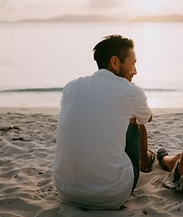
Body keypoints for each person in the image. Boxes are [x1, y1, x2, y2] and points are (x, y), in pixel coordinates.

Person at [53, 34, 154, 209]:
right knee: (136, 121)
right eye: (133, 63)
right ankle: (144, 163)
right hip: (112, 194)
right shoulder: (130, 91)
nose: (135, 71)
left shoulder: (71, 87)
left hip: (66, 192)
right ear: (115, 62)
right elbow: (147, 117)